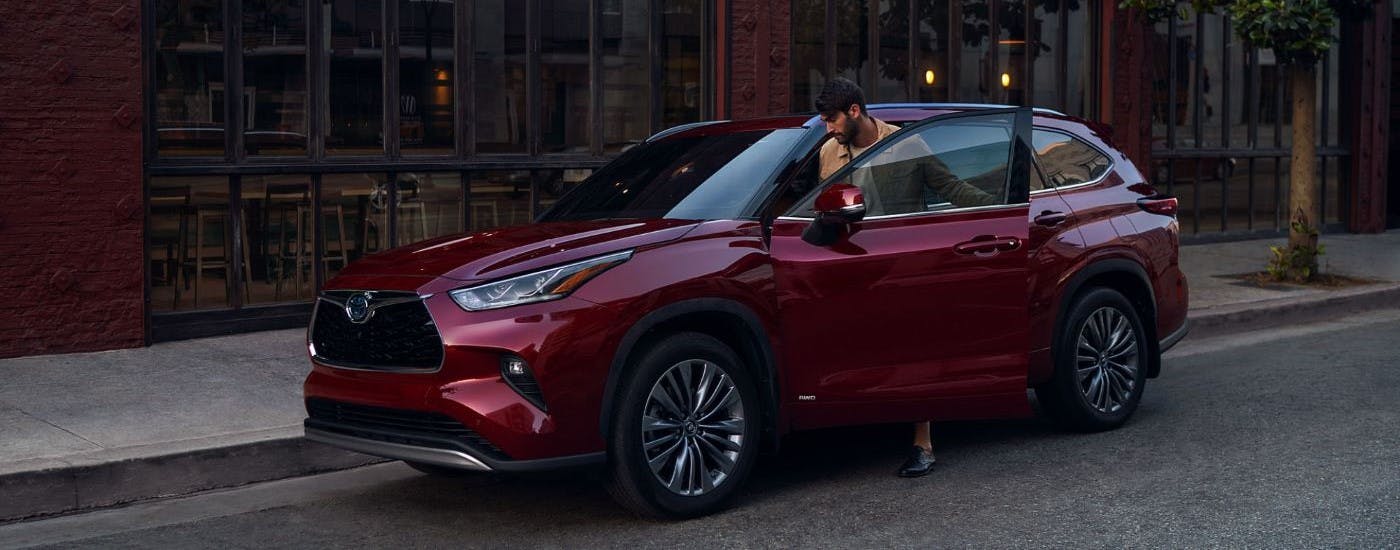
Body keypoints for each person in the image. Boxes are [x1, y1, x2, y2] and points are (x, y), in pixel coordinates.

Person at [813, 77, 992, 478]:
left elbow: (953, 188)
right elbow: (821, 205)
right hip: (851, 264)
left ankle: (922, 444)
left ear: (855, 111)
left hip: (902, 262)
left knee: (913, 348)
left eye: (832, 119)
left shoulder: (906, 145)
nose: (828, 128)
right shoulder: (829, 152)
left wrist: (1004, 210)